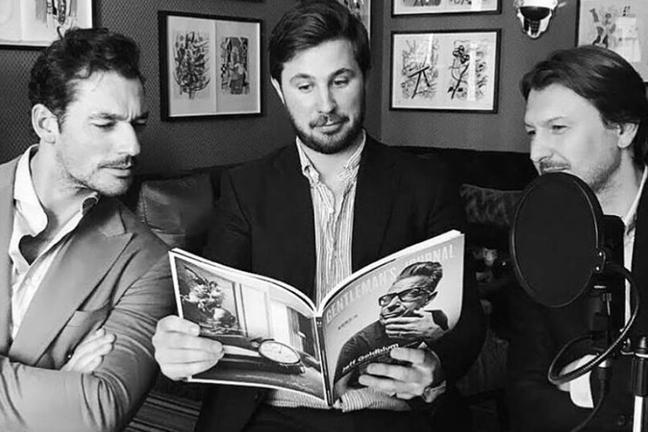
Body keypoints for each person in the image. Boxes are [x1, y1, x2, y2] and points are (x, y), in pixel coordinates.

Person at [152, 1, 484, 431]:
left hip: (387, 411)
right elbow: (210, 307)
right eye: (304, 85)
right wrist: (179, 345)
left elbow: (467, 319)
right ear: (279, 89)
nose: (325, 105)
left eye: (340, 81)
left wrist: (435, 366)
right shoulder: (245, 187)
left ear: (365, 77)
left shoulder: (426, 183)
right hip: (271, 413)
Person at [0, 28, 173, 431]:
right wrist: (59, 382)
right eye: (105, 123)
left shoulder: (149, 261)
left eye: (137, 124)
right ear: (46, 123)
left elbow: (99, 409)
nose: (132, 147)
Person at [508, 45, 648, 431]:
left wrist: (588, 383)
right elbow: (525, 392)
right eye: (532, 133)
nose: (537, 152)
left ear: (623, 129)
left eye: (558, 128)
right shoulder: (537, 233)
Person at [333, 262, 449, 392]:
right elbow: (340, 390)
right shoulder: (358, 341)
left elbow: (450, 364)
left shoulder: (437, 320)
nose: (391, 305)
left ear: (429, 299)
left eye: (410, 293)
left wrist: (437, 337)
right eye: (389, 297)